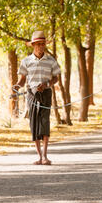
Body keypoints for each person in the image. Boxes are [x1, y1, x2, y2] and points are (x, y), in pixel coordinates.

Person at [14, 31, 61, 165]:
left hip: (46, 93)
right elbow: (22, 80)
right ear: (33, 45)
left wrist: (47, 84)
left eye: (42, 44)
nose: (40, 47)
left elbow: (56, 78)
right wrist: (17, 86)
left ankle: (45, 156)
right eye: (38, 44)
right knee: (34, 123)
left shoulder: (51, 61)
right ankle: (39, 156)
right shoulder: (26, 61)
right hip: (31, 94)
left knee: (44, 122)